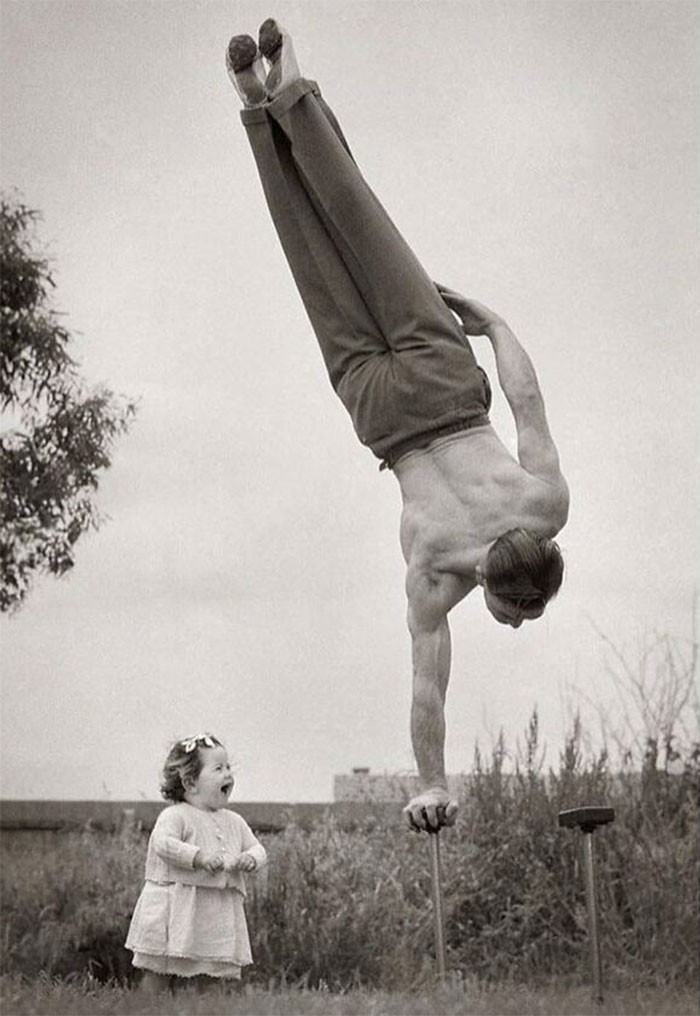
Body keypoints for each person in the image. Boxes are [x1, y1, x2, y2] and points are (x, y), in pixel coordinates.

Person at [226, 21, 570, 833]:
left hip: (446, 382)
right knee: (309, 252)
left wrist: (494, 322)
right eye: (521, 616)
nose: (515, 627)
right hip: (382, 411)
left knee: (357, 220)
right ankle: (253, 105)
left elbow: (525, 400)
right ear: (492, 585)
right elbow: (428, 687)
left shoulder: (546, 506)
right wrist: (431, 782)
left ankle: (288, 84)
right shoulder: (435, 579)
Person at [125, 733, 267, 992]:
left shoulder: (233, 821)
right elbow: (163, 844)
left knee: (209, 969)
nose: (228, 774)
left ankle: (202, 1006)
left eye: (228, 768)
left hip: (213, 910)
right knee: (160, 968)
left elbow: (258, 848)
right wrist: (198, 857)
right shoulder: (175, 815)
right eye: (218, 768)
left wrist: (251, 858)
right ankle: (147, 1006)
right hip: (175, 906)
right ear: (190, 783)